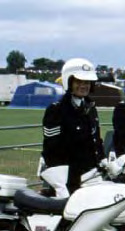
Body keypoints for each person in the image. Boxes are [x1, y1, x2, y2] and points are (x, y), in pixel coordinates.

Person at [41, 58, 105, 196]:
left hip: (91, 176)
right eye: (79, 82)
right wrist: (62, 185)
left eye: (87, 82)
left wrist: (103, 160)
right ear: (68, 82)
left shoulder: (91, 108)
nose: (83, 86)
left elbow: (96, 140)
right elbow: (51, 151)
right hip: (67, 181)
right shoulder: (56, 110)